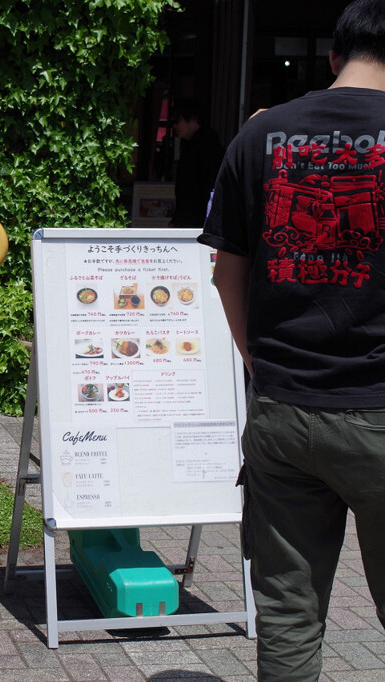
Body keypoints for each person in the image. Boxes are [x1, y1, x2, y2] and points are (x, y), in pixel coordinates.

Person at [199, 1, 385, 678]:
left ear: (334, 57)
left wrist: (261, 363)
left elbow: (226, 276)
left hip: (282, 415)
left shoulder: (260, 137)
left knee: (288, 615)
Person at [169, 99, 223, 227]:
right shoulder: (191, 145)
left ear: (193, 119)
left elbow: (199, 190)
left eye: (177, 120)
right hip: (195, 219)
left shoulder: (206, 148)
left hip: (198, 220)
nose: (174, 126)